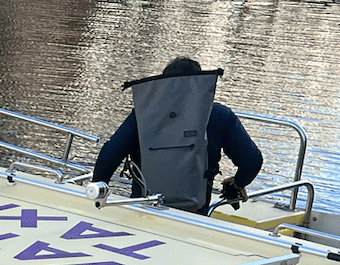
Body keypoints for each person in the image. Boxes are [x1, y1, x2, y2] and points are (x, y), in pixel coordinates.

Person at [91, 56, 263, 211]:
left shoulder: (144, 115)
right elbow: (252, 161)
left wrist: (97, 192)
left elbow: (110, 154)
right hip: (194, 215)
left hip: (144, 208)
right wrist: (238, 184)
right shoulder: (219, 115)